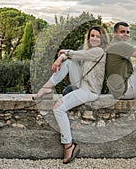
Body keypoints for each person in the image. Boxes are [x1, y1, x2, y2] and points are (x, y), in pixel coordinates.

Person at [32, 26, 109, 164]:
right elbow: (73, 55)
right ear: (89, 37)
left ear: (103, 39)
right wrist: (61, 57)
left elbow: (77, 54)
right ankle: (47, 88)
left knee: (58, 108)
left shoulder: (99, 51)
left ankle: (69, 145)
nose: (95, 38)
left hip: (89, 91)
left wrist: (64, 53)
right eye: (92, 35)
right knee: (68, 62)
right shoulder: (89, 50)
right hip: (81, 84)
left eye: (98, 36)